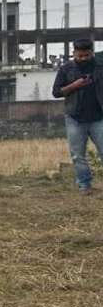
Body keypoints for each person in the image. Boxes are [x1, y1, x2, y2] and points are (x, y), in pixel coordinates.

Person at [52, 39, 103, 195]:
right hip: (75, 118)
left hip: (99, 117)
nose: (83, 58)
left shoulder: (100, 65)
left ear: (92, 53)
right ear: (74, 53)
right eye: (80, 55)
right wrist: (75, 85)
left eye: (86, 55)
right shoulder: (66, 69)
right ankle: (84, 186)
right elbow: (56, 92)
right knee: (77, 155)